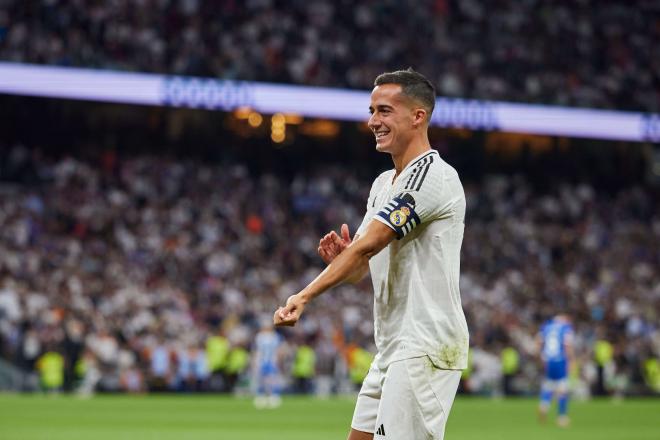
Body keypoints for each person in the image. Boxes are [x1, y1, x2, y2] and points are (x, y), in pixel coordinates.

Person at [274, 68, 469, 440]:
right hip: (394, 347)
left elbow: (369, 243)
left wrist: (304, 295)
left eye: (384, 111)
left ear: (418, 116)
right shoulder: (384, 184)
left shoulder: (433, 175)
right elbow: (362, 265)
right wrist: (343, 262)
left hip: (425, 345)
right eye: (371, 111)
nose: (372, 121)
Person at [537, 314, 574, 427]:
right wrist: (570, 360)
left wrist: (541, 357)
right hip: (560, 360)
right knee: (562, 389)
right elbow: (567, 345)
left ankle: (544, 405)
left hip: (548, 360)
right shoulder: (565, 328)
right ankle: (562, 417)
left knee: (549, 385)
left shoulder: (546, 326)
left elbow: (538, 342)